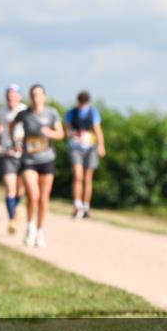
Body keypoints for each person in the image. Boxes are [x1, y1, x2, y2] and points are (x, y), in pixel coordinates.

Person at [12, 84, 64, 248]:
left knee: (43, 198)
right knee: (33, 195)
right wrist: (15, 142)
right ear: (30, 97)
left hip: (47, 159)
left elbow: (61, 134)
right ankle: (30, 227)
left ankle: (40, 230)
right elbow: (12, 125)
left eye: (39, 94)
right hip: (29, 160)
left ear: (44, 97)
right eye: (33, 95)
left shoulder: (52, 113)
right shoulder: (24, 114)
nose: (36, 98)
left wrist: (51, 133)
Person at [65, 91, 106, 220]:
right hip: (75, 147)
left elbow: (98, 130)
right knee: (78, 176)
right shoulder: (71, 113)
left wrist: (101, 146)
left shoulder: (93, 112)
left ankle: (86, 207)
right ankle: (77, 206)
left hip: (90, 148)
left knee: (88, 179)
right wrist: (73, 134)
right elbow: (67, 131)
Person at [0, 85, 27, 234]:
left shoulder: (25, 110)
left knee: (20, 189)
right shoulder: (1, 112)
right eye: (8, 96)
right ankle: (12, 220)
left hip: (23, 155)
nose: (10, 99)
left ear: (19, 97)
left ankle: (16, 209)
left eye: (13, 96)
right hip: (8, 154)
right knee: (10, 188)